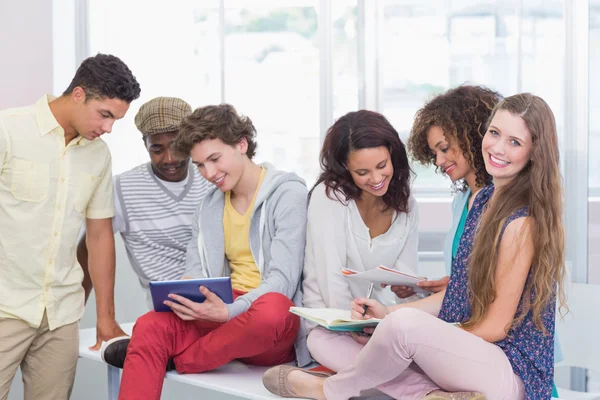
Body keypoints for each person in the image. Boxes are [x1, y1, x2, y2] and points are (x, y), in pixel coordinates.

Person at [263, 93, 566, 400]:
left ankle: (327, 389)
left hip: (509, 374)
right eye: (495, 133)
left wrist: (419, 337)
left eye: (515, 142)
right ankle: (428, 395)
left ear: (533, 152)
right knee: (369, 333)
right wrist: (389, 314)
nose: (498, 148)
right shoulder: (485, 202)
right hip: (473, 358)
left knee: (403, 329)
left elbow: (495, 327)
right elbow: (458, 293)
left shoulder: (520, 223)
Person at [100, 104, 310, 400]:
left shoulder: (288, 193)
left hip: (266, 324)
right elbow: (197, 269)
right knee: (148, 325)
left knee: (273, 309)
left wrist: (228, 311)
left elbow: (283, 281)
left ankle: (179, 360)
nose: (209, 173)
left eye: (214, 159)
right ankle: (171, 354)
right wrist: (187, 295)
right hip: (221, 314)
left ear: (241, 144)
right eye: (199, 165)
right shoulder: (210, 204)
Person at [0, 53, 140, 400]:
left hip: (60, 314)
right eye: (104, 114)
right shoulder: (8, 131)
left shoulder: (98, 155)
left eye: (115, 120)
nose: (107, 128)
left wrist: (105, 317)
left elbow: (99, 235)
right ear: (78, 94)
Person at [301, 109, 419, 373]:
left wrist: (408, 289)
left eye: (382, 166)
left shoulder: (406, 203)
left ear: (393, 154)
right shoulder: (329, 197)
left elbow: (407, 278)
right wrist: (355, 328)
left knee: (407, 366)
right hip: (331, 327)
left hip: (379, 325)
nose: (376, 179)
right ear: (345, 167)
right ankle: (428, 395)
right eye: (363, 172)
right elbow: (331, 280)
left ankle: (319, 385)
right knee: (377, 372)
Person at [77, 96, 211, 311]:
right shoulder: (121, 188)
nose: (169, 159)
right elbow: (89, 248)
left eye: (178, 147)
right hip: (168, 309)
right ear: (145, 144)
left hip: (221, 301)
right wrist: (76, 313)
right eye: (157, 149)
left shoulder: (212, 176)